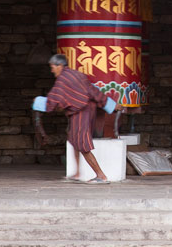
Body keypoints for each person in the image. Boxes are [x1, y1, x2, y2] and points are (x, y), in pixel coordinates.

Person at [43, 54, 123, 183]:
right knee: (73, 139)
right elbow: (93, 92)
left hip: (82, 113)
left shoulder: (63, 79)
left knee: (82, 144)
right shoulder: (77, 74)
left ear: (60, 66)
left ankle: (101, 175)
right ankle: (77, 173)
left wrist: (43, 104)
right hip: (84, 111)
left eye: (53, 67)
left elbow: (54, 98)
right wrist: (110, 104)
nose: (52, 70)